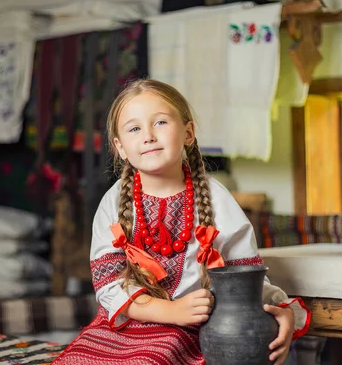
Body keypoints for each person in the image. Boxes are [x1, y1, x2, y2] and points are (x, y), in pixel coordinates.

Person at [53, 79, 310, 365]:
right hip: (128, 323)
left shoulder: (217, 199)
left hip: (194, 327)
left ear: (188, 133)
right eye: (134, 129)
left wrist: (282, 310)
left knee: (153, 360)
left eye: (160, 122)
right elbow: (109, 284)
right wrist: (167, 310)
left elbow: (245, 278)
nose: (148, 136)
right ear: (120, 147)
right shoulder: (112, 204)